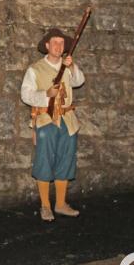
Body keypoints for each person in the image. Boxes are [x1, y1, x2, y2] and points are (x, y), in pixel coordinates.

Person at [21, 29, 86, 221]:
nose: (58, 46)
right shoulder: (35, 69)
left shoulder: (68, 65)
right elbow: (26, 95)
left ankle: (60, 203)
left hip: (68, 120)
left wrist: (72, 66)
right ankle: (45, 205)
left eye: (61, 43)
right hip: (46, 120)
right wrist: (46, 95)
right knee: (45, 161)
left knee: (66, 161)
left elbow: (79, 81)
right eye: (54, 43)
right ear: (47, 46)